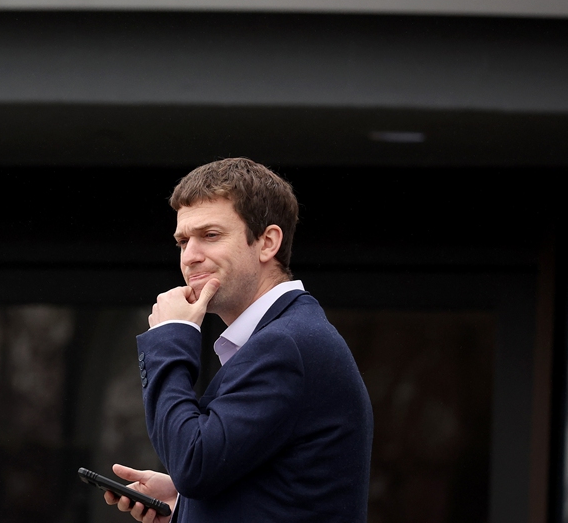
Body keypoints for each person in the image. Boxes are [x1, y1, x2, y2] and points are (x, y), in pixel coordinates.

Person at [104, 158, 372, 522]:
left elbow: (193, 464)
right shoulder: (285, 335)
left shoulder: (286, 344)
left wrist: (169, 339)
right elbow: (272, 489)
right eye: (183, 241)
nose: (190, 257)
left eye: (210, 236)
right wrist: (186, 506)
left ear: (267, 242)